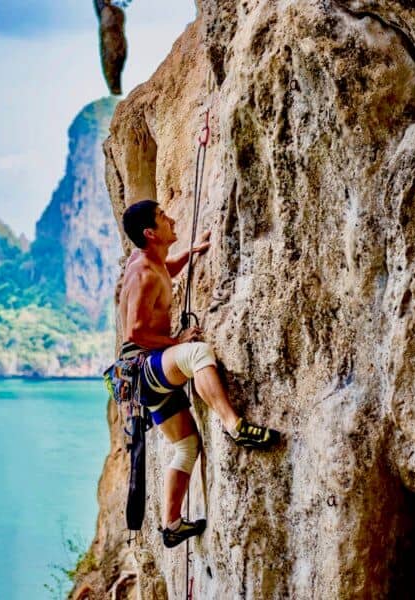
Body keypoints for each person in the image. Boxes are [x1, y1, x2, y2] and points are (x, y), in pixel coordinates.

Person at [118, 199, 280, 548]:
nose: (171, 218)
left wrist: (190, 253)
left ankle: (171, 524)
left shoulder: (147, 260)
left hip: (140, 377)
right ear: (150, 232)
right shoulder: (144, 273)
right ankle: (235, 425)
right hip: (144, 367)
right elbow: (134, 332)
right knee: (196, 353)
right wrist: (175, 340)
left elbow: (165, 270)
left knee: (187, 444)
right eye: (163, 217)